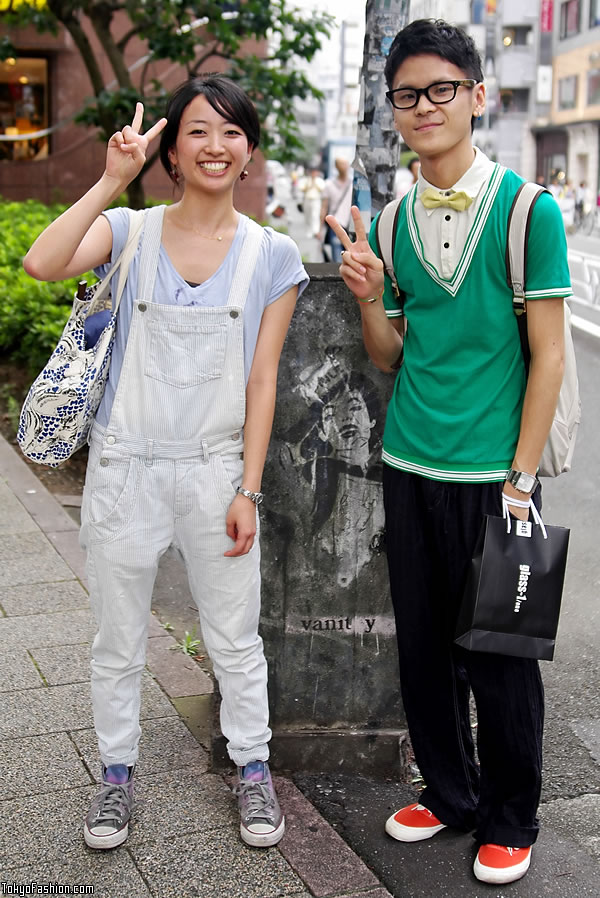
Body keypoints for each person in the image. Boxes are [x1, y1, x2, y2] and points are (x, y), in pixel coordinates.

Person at [23, 75, 308, 851]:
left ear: (250, 150)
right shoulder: (131, 229)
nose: (215, 146)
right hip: (125, 467)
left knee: (234, 636)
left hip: (217, 470)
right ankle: (116, 774)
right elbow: (40, 264)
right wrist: (112, 177)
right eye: (197, 132)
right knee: (116, 639)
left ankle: (253, 768)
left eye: (231, 132)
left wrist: (249, 487)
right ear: (171, 150)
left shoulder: (271, 254)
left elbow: (262, 380)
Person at [326, 18, 570, 886]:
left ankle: (511, 815)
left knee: (500, 658)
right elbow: (393, 355)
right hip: (410, 464)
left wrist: (522, 476)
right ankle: (450, 791)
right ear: (392, 109)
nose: (423, 106)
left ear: (475, 96)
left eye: (440, 90)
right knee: (424, 650)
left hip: (497, 480)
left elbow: (548, 354)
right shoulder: (391, 224)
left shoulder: (528, 211)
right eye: (407, 95)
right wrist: (364, 296)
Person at [320, 157, 353, 262]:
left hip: (350, 225)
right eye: (341, 164)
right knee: (337, 257)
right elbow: (324, 207)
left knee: (351, 255)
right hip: (335, 224)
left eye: (345, 164)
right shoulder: (329, 184)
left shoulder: (354, 184)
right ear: (336, 166)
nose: (343, 167)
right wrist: (320, 229)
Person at [299, 167, 325, 238]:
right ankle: (308, 231)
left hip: (316, 200)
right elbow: (302, 189)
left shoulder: (319, 180)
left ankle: (315, 231)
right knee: (307, 215)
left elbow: (322, 189)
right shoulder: (306, 180)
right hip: (307, 199)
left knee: (315, 215)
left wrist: (314, 182)